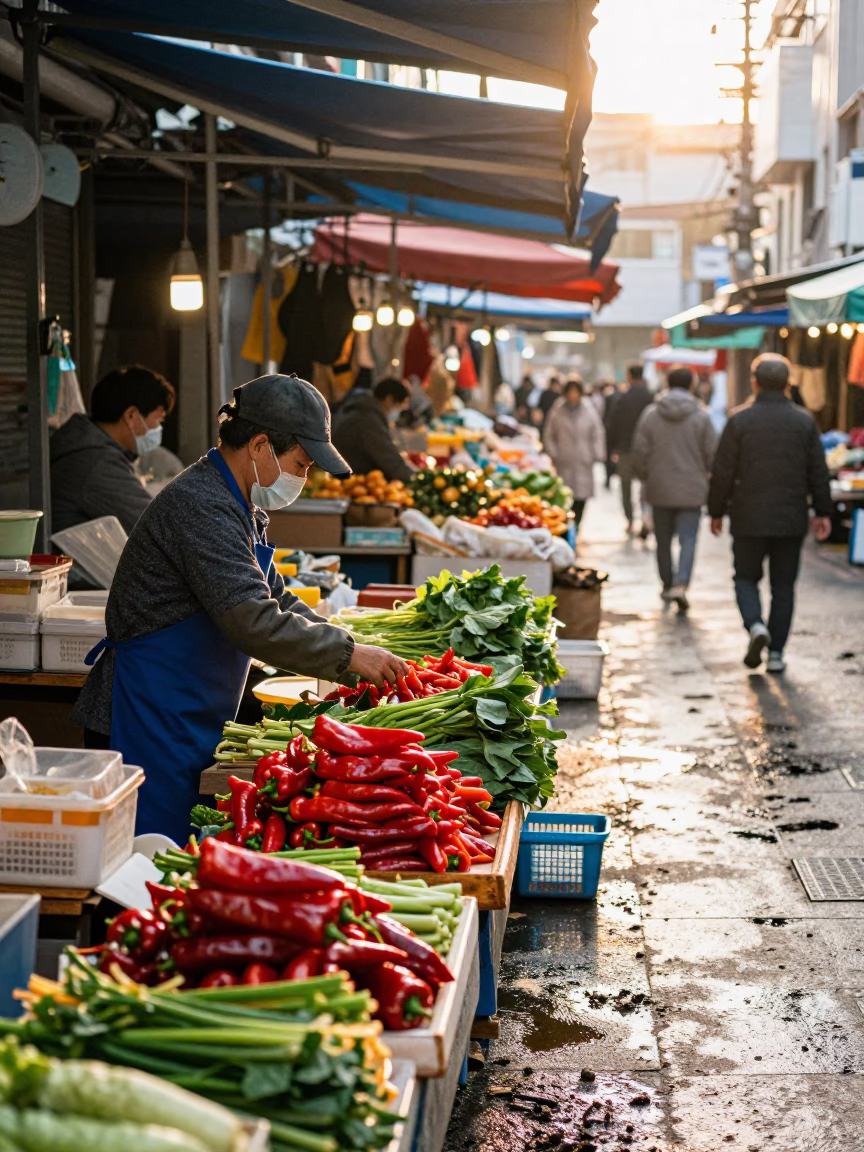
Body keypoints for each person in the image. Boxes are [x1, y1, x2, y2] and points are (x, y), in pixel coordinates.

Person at [74, 374, 408, 843]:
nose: (303, 478)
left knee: (177, 862)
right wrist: (349, 656)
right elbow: (251, 618)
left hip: (185, 713)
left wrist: (352, 646)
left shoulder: (240, 507)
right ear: (259, 446)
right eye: (302, 463)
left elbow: (277, 599)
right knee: (147, 865)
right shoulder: (202, 506)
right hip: (146, 717)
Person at [707, 353, 833, 673]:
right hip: (791, 518)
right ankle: (776, 652)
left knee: (746, 577)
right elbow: (818, 471)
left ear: (755, 382)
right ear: (788, 384)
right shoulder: (804, 421)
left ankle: (755, 625)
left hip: (748, 516)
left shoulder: (739, 421)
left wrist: (716, 510)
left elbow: (722, 471)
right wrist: (822, 511)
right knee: (783, 586)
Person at [50, 365, 175, 536]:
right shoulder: (96, 463)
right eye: (157, 420)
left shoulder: (90, 446)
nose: (158, 429)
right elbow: (160, 527)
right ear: (131, 416)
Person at [632, 366, 717, 612]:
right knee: (689, 539)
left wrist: (646, 476)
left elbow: (639, 451)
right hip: (692, 489)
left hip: (659, 487)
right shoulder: (701, 416)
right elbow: (713, 453)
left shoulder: (651, 414)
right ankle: (681, 584)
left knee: (663, 540)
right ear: (691, 384)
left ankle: (667, 583)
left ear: (667, 383)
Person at [543, 376, 606, 530]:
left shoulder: (588, 409)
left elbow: (597, 433)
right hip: (563, 460)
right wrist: (553, 453)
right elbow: (549, 434)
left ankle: (576, 528)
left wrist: (596, 453)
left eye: (575, 392)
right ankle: (566, 527)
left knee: (581, 497)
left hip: (583, 459)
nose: (573, 395)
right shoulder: (558, 410)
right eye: (570, 392)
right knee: (564, 497)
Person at [331, 377, 413, 482]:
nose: (398, 413)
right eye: (399, 406)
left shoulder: (360, 409)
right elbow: (388, 459)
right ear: (389, 399)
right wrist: (415, 479)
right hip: (351, 481)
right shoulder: (367, 419)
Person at [607, 363, 653, 537]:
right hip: (647, 451)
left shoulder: (623, 398)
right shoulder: (651, 397)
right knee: (646, 487)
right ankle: (646, 518)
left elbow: (614, 425)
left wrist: (612, 448)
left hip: (626, 449)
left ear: (629, 376)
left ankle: (630, 519)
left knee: (625, 487)